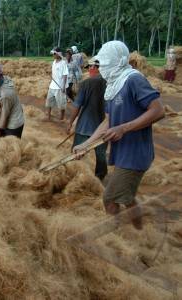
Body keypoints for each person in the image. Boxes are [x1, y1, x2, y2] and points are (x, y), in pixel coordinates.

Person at [73, 41, 165, 230]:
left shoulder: (133, 79)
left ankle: (118, 234)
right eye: (101, 64)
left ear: (119, 61)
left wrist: (123, 128)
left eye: (106, 63)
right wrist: (86, 144)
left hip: (135, 153)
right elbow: (108, 121)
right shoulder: (113, 85)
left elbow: (158, 110)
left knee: (110, 198)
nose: (102, 68)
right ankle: (139, 230)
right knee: (127, 197)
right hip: (123, 152)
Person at [67, 58, 107, 181]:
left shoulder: (86, 83)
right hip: (104, 127)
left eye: (90, 67)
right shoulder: (110, 82)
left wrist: (70, 123)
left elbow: (76, 105)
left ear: (95, 67)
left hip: (85, 127)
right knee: (101, 155)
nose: (89, 70)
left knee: (77, 152)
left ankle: (75, 176)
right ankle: (100, 178)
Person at [0, 63, 25, 140]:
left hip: (14, 124)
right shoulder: (2, 80)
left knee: (10, 147)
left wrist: (0, 129)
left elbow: (5, 114)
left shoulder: (5, 94)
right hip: (6, 117)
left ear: (0, 76)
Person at [46, 47, 68, 121]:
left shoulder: (63, 63)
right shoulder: (54, 62)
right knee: (49, 101)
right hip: (52, 85)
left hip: (60, 86)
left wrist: (64, 86)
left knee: (61, 103)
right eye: (53, 54)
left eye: (54, 53)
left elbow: (65, 75)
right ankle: (48, 117)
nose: (53, 55)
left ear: (58, 54)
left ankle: (62, 117)